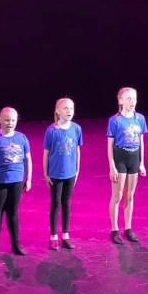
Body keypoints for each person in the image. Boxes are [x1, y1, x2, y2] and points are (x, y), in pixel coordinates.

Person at [0, 107, 32, 258]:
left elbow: (28, 159)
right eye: (7, 120)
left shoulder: (22, 138)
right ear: (0, 120)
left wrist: (28, 178)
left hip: (16, 181)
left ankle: (15, 244)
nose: (10, 123)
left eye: (13, 120)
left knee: (13, 212)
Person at [107, 87, 147, 244]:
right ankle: (114, 229)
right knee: (117, 196)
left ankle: (128, 228)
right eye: (129, 98)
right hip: (120, 158)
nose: (132, 101)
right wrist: (112, 166)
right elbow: (110, 145)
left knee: (130, 195)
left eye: (134, 98)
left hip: (134, 158)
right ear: (120, 101)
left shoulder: (140, 118)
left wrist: (141, 163)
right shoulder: (115, 120)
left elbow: (141, 142)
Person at [43, 98, 82, 251]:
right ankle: (53, 236)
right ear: (58, 111)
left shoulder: (76, 128)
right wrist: (45, 173)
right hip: (55, 174)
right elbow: (46, 153)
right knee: (56, 203)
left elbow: (77, 150)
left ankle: (65, 235)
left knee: (67, 203)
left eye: (71, 108)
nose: (69, 111)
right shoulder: (52, 130)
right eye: (65, 108)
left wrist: (77, 170)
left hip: (70, 173)